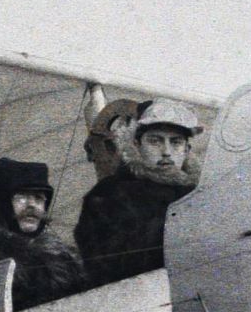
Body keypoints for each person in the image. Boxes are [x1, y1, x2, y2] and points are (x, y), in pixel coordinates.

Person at [73, 99, 203, 288]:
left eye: (176, 142)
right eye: (155, 141)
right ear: (137, 144)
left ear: (187, 150)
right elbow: (108, 266)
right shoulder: (107, 196)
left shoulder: (200, 195)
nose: (166, 152)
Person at [0, 157, 86, 312]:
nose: (32, 205)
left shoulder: (67, 260)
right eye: (21, 197)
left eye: (39, 198)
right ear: (3, 203)